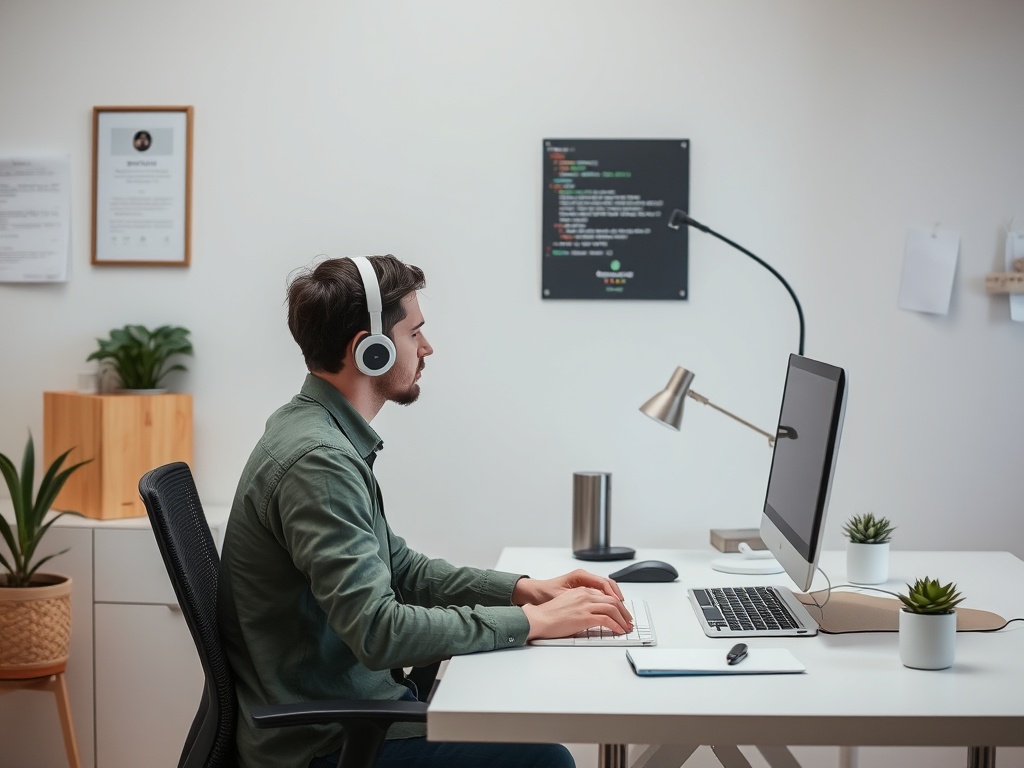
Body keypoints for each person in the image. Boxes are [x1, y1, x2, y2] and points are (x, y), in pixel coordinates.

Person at [217, 254, 634, 768]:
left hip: (354, 713)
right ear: (368, 350)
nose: (428, 348)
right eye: (415, 333)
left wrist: (525, 590)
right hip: (326, 744)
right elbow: (378, 630)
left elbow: (403, 570)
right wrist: (529, 621)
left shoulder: (320, 434)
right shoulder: (318, 463)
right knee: (545, 760)